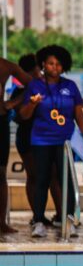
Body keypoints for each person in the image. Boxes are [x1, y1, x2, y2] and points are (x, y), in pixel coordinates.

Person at [20, 46, 83, 237]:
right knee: (41, 179)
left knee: (66, 181)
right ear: (43, 64)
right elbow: (24, 115)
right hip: (41, 141)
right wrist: (32, 104)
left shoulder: (70, 86)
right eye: (51, 63)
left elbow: (79, 114)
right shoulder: (35, 85)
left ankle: (68, 220)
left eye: (59, 64)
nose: (55, 67)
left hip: (65, 142)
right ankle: (38, 221)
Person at [7, 55, 49, 229]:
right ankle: (37, 215)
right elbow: (17, 115)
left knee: (44, 177)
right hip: (27, 138)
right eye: (36, 71)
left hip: (44, 138)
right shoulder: (20, 92)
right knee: (34, 176)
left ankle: (42, 214)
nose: (39, 74)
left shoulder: (46, 87)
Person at [0, 56, 34, 232]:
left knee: (0, 173)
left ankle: (1, 223)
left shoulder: (5, 66)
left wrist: (13, 103)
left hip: (0, 120)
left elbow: (34, 84)